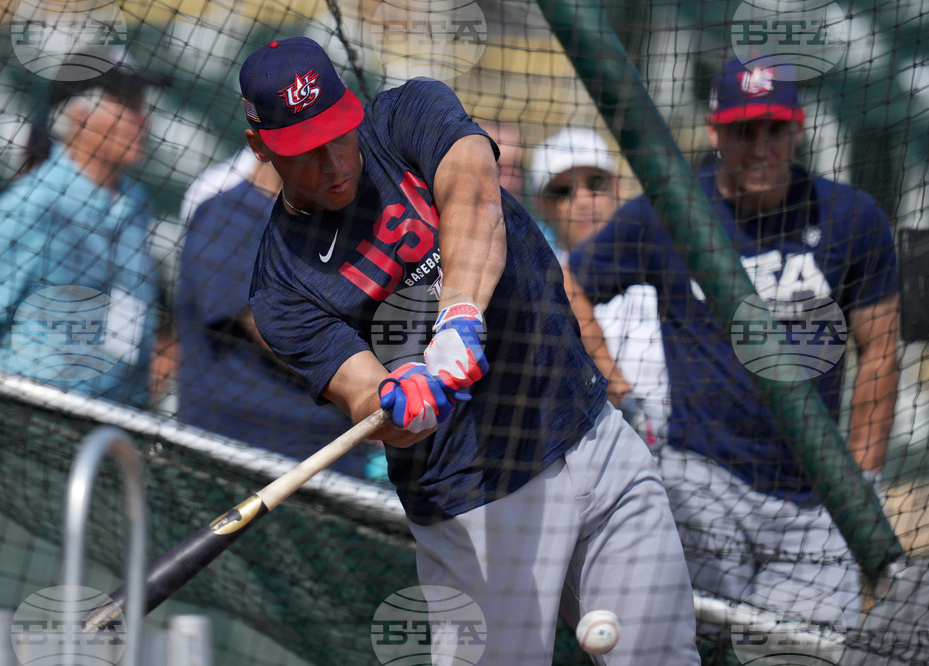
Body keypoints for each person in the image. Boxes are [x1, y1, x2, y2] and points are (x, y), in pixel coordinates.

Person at [240, 37, 700, 664]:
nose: (334, 161)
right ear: (261, 146)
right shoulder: (281, 289)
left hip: (586, 430)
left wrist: (457, 316)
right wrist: (403, 404)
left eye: (338, 134)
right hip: (476, 499)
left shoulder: (409, 115)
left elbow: (475, 195)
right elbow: (363, 395)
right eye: (306, 151)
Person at [569, 59, 900, 627]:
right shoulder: (672, 209)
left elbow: (881, 351)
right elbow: (569, 286)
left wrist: (863, 479)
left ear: (797, 129)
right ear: (715, 131)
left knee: (804, 653)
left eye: (775, 129)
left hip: (817, 499)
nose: (761, 147)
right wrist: (616, 386)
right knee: (678, 641)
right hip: (700, 483)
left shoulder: (853, 216)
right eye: (745, 130)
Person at [0, 50, 171, 409]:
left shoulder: (136, 202)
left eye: (140, 106)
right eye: (127, 106)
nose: (141, 120)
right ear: (79, 119)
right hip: (32, 424)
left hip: (120, 420)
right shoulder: (32, 203)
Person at [175, 157, 370, 479]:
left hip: (331, 452)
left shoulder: (335, 221)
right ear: (263, 146)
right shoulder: (225, 216)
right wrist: (372, 386)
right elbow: (280, 332)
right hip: (237, 455)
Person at [531, 127, 670, 445]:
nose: (583, 201)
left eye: (595, 185)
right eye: (563, 191)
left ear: (617, 187)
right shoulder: (537, 289)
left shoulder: (665, 269)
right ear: (542, 204)